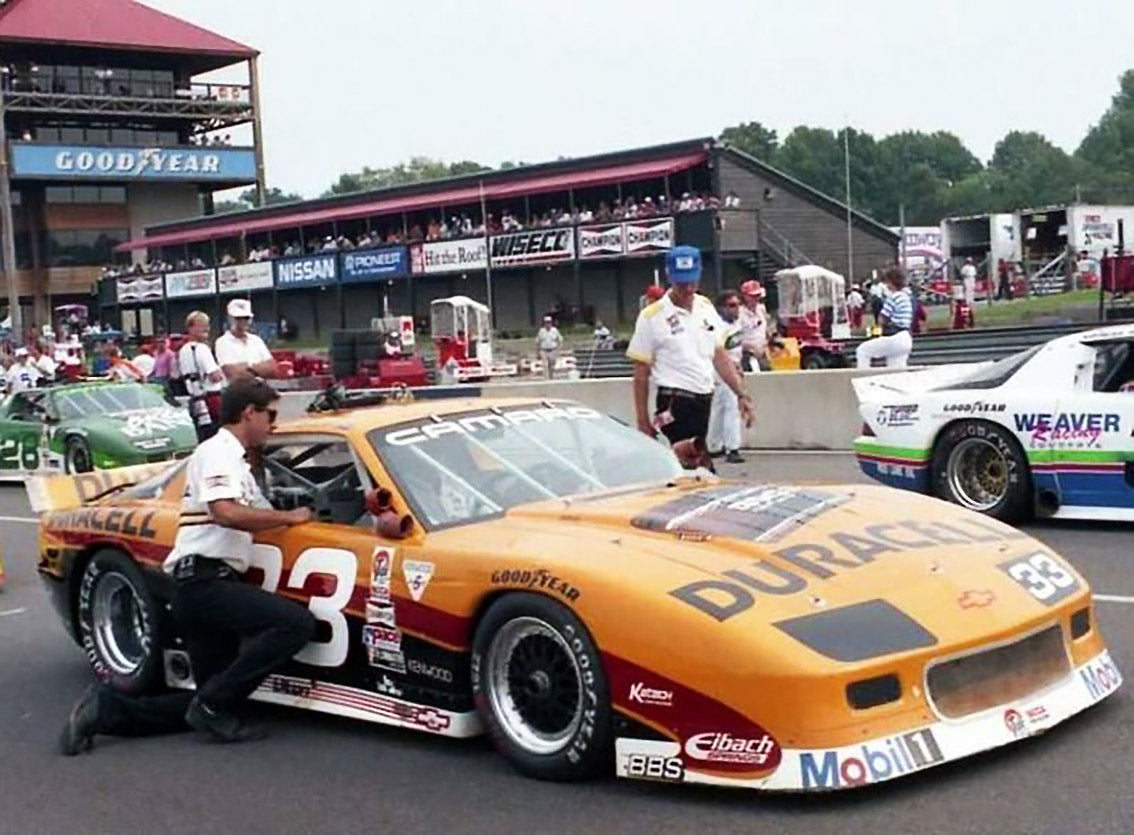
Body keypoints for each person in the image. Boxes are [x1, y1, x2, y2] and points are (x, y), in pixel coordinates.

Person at [59, 379, 315, 754]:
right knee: (295, 623)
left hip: (201, 586)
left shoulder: (238, 464)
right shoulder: (218, 451)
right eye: (270, 415)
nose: (273, 425)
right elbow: (225, 512)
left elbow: (260, 512)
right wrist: (289, 517)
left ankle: (105, 712)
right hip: (205, 584)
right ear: (249, 413)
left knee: (213, 697)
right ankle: (210, 705)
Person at [627, 246, 753, 461]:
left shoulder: (705, 307)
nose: (687, 288)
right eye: (681, 282)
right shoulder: (652, 316)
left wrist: (740, 393)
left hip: (704, 397)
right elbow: (641, 372)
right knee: (695, 464)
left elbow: (719, 355)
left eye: (692, 282)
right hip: (674, 398)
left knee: (692, 470)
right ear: (669, 277)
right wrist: (642, 420)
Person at [706, 291, 746, 464]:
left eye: (738, 305)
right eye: (731, 305)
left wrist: (739, 365)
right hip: (721, 370)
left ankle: (713, 445)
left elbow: (737, 349)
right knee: (731, 407)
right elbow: (717, 352)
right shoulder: (717, 327)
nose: (736, 309)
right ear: (721, 308)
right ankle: (733, 447)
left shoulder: (737, 325)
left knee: (719, 407)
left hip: (733, 368)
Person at [179, 311, 226, 442]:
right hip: (212, 399)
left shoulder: (183, 350)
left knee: (202, 435)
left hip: (195, 399)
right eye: (201, 326)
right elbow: (215, 376)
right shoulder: (202, 349)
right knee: (218, 435)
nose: (206, 329)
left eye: (207, 325)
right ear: (190, 328)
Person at [856, 266, 914, 369]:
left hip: (894, 337)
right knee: (896, 370)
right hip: (906, 338)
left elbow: (883, 319)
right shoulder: (906, 297)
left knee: (862, 350)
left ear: (891, 282)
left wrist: (874, 332)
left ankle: (863, 377)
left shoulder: (893, 297)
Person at [215, 299, 278, 383]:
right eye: (238, 318)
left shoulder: (256, 340)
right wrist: (259, 368)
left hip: (259, 390)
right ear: (229, 318)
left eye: (246, 318)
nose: (243, 321)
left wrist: (248, 367)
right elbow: (233, 374)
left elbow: (273, 370)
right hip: (237, 392)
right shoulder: (222, 342)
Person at [738, 279, 770, 371]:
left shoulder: (761, 309)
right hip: (747, 354)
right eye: (752, 296)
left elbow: (766, 328)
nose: (755, 299)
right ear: (744, 296)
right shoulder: (740, 313)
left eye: (757, 296)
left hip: (762, 352)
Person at [535, 315, 562, 379]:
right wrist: (537, 351)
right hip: (544, 350)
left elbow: (559, 339)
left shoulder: (554, 330)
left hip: (552, 350)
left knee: (551, 365)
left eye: (549, 322)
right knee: (545, 365)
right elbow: (538, 341)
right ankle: (546, 378)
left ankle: (551, 376)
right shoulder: (541, 331)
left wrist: (558, 349)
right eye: (546, 322)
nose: (548, 324)